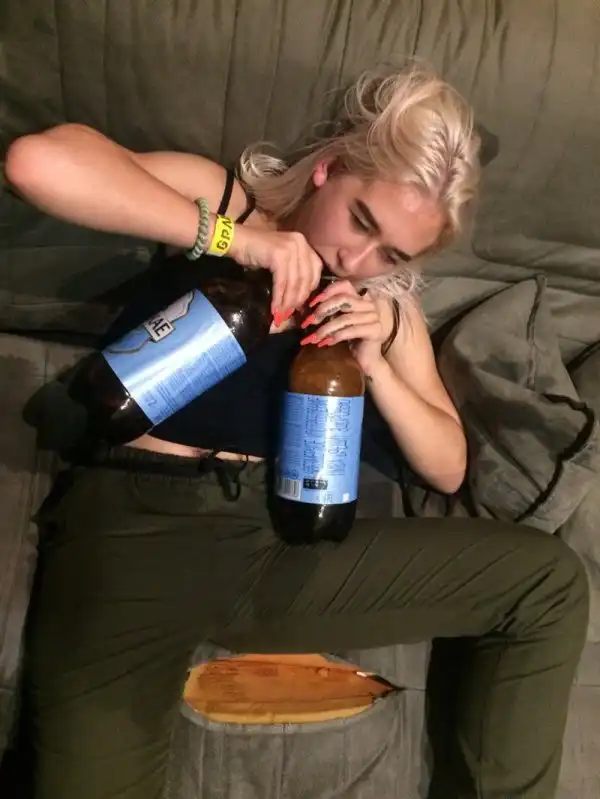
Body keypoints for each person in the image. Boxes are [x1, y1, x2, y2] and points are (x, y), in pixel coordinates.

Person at [5, 64, 588, 799]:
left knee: (548, 582)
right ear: (330, 170)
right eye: (362, 222)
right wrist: (238, 240)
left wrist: (378, 365)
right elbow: (37, 164)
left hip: (283, 543)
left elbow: (448, 467)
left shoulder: (384, 308)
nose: (357, 259)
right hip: (138, 528)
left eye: (394, 255)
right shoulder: (230, 204)